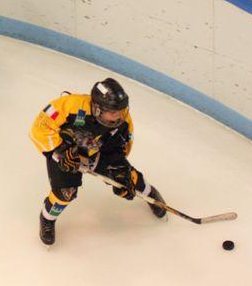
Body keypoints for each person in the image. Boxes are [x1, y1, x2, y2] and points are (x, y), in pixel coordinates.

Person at [29, 78, 167, 245]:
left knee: (128, 178)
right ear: (97, 108)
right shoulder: (70, 105)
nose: (119, 116)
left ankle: (150, 193)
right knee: (65, 193)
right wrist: (61, 151)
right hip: (65, 150)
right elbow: (39, 128)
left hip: (96, 151)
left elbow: (119, 149)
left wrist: (119, 171)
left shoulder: (123, 120)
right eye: (113, 111)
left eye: (121, 110)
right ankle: (47, 218)